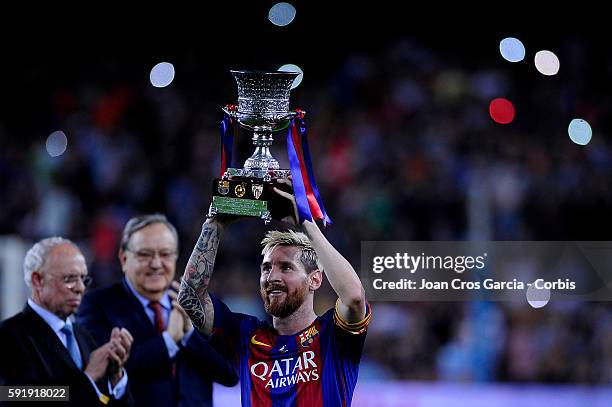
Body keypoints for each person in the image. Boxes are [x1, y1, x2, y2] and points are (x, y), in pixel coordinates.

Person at [178, 180, 372, 406]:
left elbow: (355, 297)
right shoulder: (245, 336)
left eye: (286, 267)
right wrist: (214, 224)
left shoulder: (333, 335)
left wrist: (306, 223)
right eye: (267, 268)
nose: (272, 277)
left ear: (315, 279)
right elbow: (190, 298)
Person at [77, 214, 238, 407]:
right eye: (145, 254)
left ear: (176, 257)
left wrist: (189, 336)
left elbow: (231, 374)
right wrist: (168, 340)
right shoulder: (95, 305)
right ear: (123, 258)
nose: (156, 264)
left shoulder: (199, 304)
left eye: (165, 254)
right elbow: (104, 373)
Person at [0, 237, 133, 406]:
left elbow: (103, 400)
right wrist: (88, 378)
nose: (80, 288)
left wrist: (116, 378)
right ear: (38, 280)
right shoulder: (8, 336)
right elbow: (16, 396)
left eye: (83, 279)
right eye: (69, 279)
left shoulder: (84, 335)